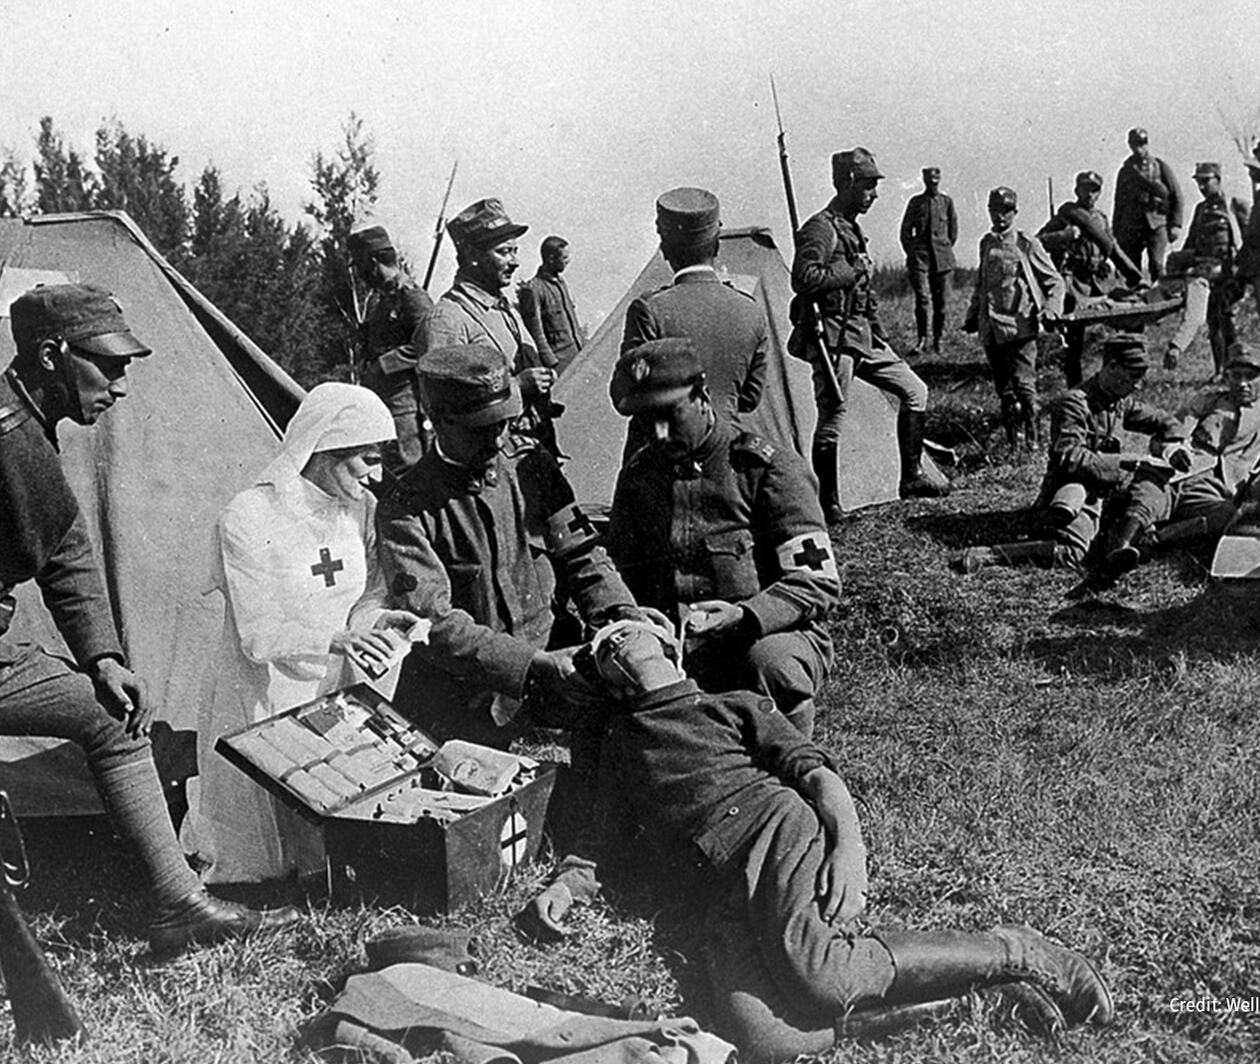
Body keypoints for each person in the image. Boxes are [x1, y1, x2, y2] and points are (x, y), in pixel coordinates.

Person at [522, 618, 1113, 1064]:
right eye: (607, 648)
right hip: (719, 884)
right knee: (762, 1038)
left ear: (672, 653)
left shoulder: (732, 704)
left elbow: (817, 776)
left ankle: (1016, 950)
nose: (621, 646)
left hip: (774, 830)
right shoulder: (620, 742)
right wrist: (567, 886)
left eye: (634, 636)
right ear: (607, 683)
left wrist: (848, 849)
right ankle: (970, 998)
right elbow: (605, 839)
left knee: (823, 977)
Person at [0, 283, 297, 957]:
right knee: (112, 718)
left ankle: (178, 905)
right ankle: (177, 903)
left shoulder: (23, 428)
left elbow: (66, 548)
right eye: (108, 366)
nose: (121, 385)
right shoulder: (11, 438)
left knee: (110, 713)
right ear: (51, 356)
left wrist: (103, 658)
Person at [184, 383, 423, 884]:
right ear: (324, 450)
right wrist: (338, 639)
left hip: (333, 682)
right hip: (264, 691)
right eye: (366, 461)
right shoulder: (250, 516)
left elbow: (365, 596)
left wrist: (376, 627)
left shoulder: (360, 510)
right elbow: (257, 633)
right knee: (267, 861)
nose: (377, 476)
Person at [375, 343, 641, 747]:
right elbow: (433, 623)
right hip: (473, 696)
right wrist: (531, 666)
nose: (498, 441)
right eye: (481, 428)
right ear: (437, 419)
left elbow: (583, 556)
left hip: (563, 664)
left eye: (504, 423)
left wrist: (624, 618)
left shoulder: (532, 467)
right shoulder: (407, 508)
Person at [605, 339, 838, 738]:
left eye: (669, 416)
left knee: (772, 665)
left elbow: (816, 581)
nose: (658, 434)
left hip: (760, 635)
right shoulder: (638, 476)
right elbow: (620, 570)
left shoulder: (767, 469)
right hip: (675, 644)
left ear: (702, 397)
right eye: (645, 422)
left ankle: (793, 766)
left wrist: (745, 616)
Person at [790, 147, 946, 515]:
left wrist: (878, 331)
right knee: (833, 418)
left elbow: (862, 291)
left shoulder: (850, 228)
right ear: (847, 183)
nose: (874, 194)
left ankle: (912, 477)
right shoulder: (820, 228)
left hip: (862, 334)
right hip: (834, 336)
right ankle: (828, 504)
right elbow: (804, 278)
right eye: (868, 186)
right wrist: (853, 271)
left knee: (915, 390)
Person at [959, 334, 1183, 574]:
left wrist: (1173, 446)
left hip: (1105, 487)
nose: (1137, 385)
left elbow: (1162, 419)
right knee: (1074, 554)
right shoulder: (1074, 404)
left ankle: (1123, 542)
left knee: (1154, 479)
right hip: (1076, 488)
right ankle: (991, 554)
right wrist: (1125, 461)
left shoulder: (1118, 400)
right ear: (1112, 367)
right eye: (1133, 377)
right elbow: (1070, 457)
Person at [1089, 341, 1260, 586]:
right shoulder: (1210, 400)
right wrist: (1173, 449)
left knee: (1229, 517)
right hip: (1175, 471)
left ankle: (1154, 541)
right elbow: (1171, 429)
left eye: (1251, 376)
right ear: (1227, 376)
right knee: (1148, 493)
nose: (1242, 383)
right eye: (1236, 376)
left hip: (1215, 488)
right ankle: (1120, 549)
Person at [620, 187, 768, 461]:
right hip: (727, 460)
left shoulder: (649, 309)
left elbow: (625, 395)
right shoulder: (751, 310)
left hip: (661, 459)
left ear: (665, 248)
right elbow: (750, 397)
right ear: (717, 244)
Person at [415, 199, 563, 457]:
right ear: (472, 256)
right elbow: (441, 407)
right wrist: (519, 386)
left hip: (532, 449)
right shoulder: (446, 320)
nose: (515, 261)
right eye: (504, 252)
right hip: (488, 460)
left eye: (515, 251)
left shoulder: (505, 309)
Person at [962, 187, 1066, 449]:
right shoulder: (986, 244)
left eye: (1006, 211)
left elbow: (1055, 281)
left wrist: (1052, 309)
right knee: (1005, 391)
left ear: (1015, 212)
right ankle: (1013, 443)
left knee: (1025, 388)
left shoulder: (1026, 243)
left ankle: (1034, 441)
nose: (1000, 217)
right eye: (995, 210)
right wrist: (973, 315)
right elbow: (981, 284)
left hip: (1019, 328)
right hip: (992, 330)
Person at [1038, 170, 1143, 387]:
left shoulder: (1101, 219)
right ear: (1077, 190)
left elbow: (1113, 248)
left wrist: (1134, 276)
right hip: (1077, 283)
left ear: (1099, 193)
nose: (1090, 194)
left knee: (1128, 320)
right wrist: (1064, 235)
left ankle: (1120, 379)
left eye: (1094, 190)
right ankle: (1074, 387)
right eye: (1085, 189)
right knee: (1074, 341)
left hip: (1101, 281)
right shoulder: (1067, 215)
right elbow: (1039, 241)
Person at [347, 222, 434, 469]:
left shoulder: (413, 297)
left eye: (360, 266)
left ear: (373, 263)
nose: (359, 274)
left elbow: (429, 346)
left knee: (408, 472)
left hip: (405, 406)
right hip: (382, 401)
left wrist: (384, 365)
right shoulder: (381, 299)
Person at [1178, 162, 1243, 378]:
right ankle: (1220, 369)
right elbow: (1191, 241)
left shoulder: (1233, 205)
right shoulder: (1201, 209)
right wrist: (1182, 260)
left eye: (1206, 181)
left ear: (1218, 178)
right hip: (1205, 272)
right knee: (1213, 322)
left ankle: (1235, 369)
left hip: (1229, 272)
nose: (1203, 186)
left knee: (1228, 320)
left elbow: (1249, 238)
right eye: (1199, 182)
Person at [899, 166, 958, 355]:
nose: (932, 184)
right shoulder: (916, 203)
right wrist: (913, 252)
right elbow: (905, 231)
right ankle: (922, 340)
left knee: (941, 303)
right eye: (928, 181)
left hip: (941, 259)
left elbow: (953, 232)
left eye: (935, 181)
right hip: (921, 258)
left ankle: (938, 340)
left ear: (939, 181)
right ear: (924, 181)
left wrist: (944, 249)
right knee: (922, 299)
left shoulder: (946, 202)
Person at [1113, 127, 1184, 281]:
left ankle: (1161, 297)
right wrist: (1116, 229)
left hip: (1157, 222)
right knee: (1131, 265)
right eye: (1135, 144)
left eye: (1142, 143)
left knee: (1157, 264)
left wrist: (1176, 224)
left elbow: (1176, 195)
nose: (1139, 148)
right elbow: (1119, 202)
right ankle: (1136, 297)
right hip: (1132, 224)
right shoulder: (1126, 171)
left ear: (1147, 143)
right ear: (1130, 145)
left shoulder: (1159, 166)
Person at [518, 235, 585, 374]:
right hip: (559, 364)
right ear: (551, 259)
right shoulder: (533, 289)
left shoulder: (561, 283)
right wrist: (552, 364)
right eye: (564, 258)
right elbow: (536, 332)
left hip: (578, 355)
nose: (568, 261)